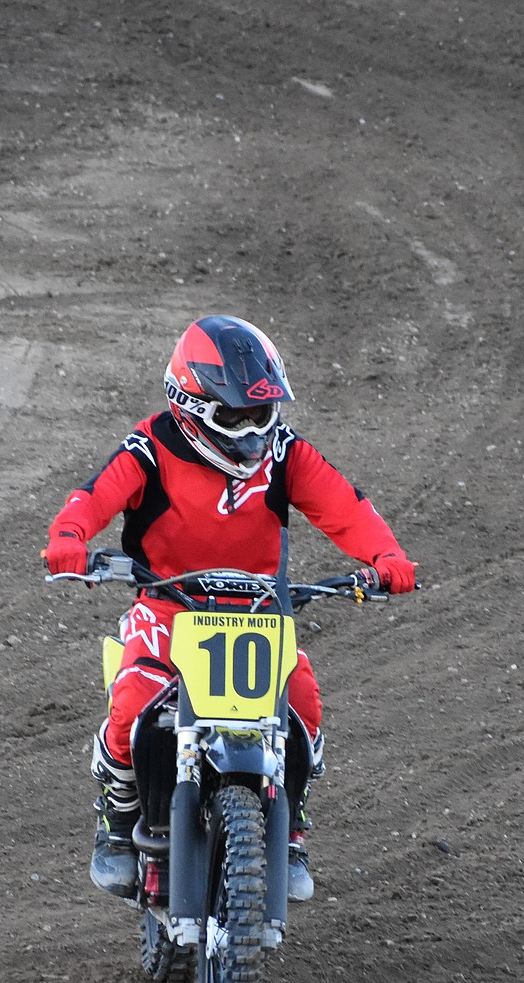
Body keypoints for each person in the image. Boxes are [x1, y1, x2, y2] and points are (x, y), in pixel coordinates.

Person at [43, 315, 418, 903]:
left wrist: (385, 555)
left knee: (302, 704)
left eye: (259, 415)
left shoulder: (285, 453)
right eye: (234, 416)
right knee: (135, 698)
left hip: (258, 610)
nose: (250, 431)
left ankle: (289, 830)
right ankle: (117, 818)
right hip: (168, 602)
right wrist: (69, 536)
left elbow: (344, 506)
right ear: (190, 407)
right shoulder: (151, 446)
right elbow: (96, 496)